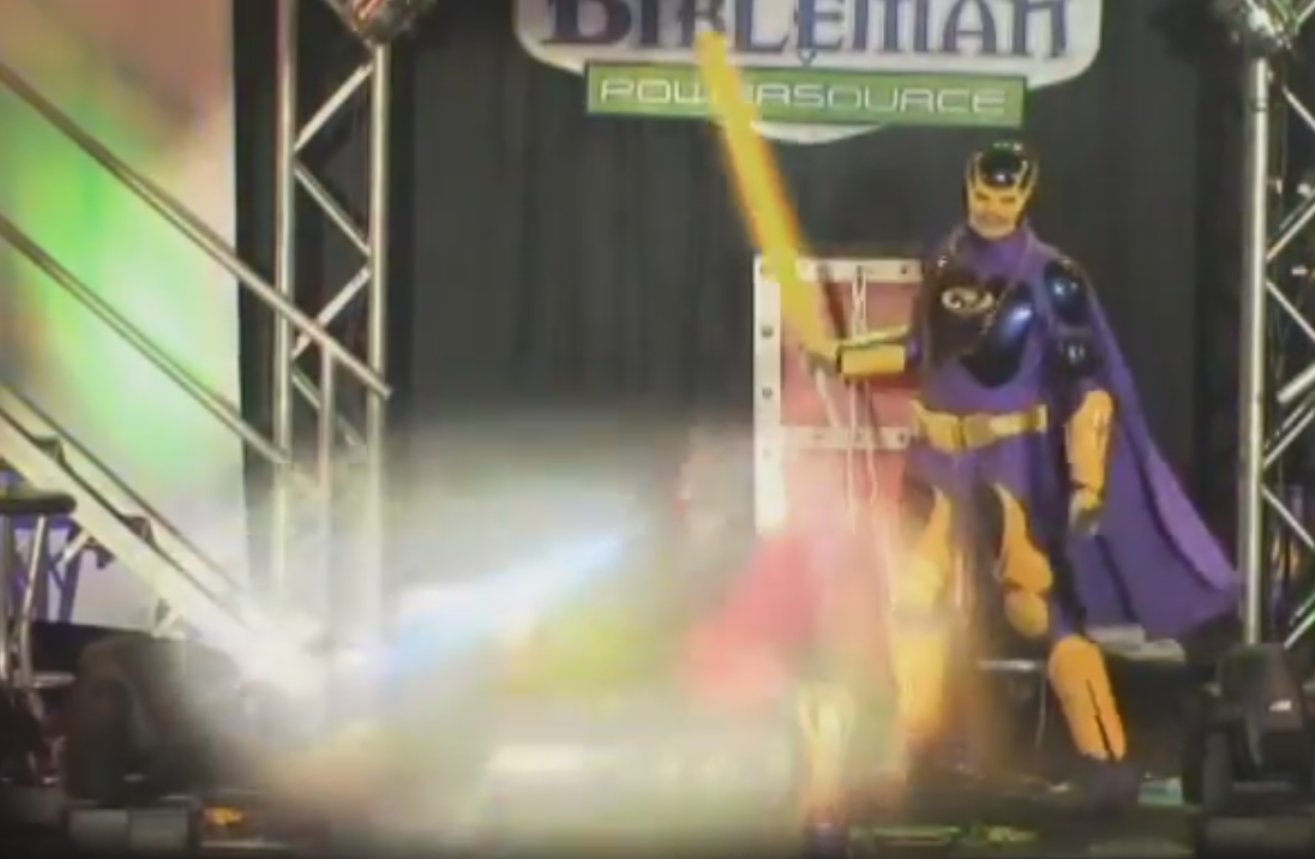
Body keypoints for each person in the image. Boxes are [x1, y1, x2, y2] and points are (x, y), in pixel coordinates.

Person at [798, 140, 1242, 806]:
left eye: (1005, 197)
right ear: (968, 187)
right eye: (984, 195)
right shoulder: (946, 257)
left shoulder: (1053, 278)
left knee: (1037, 608)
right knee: (912, 603)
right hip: (935, 460)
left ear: (1026, 194)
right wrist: (841, 357)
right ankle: (915, 746)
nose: (993, 208)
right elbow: (920, 348)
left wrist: (1087, 483)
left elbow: (1089, 388)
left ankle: (1106, 760)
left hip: (1008, 462)